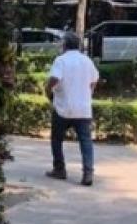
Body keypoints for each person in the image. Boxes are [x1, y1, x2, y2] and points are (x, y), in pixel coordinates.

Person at [45, 32, 99, 186]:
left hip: (63, 107)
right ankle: (88, 173)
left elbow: (55, 78)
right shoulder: (87, 61)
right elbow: (94, 79)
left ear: (65, 45)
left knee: (56, 139)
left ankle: (59, 169)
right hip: (83, 108)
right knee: (85, 141)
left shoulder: (61, 60)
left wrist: (48, 89)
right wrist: (88, 92)